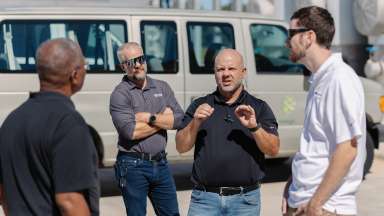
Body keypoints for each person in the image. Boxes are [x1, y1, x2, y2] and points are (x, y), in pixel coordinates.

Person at [281, 6, 366, 216]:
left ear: (309, 37)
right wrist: (292, 187)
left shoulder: (339, 79)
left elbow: (347, 150)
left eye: (291, 34)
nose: (286, 42)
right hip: (304, 202)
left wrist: (315, 204)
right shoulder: (320, 78)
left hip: (324, 208)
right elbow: (315, 145)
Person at [0, 38, 99, 215]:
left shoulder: (11, 121)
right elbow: (69, 201)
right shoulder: (68, 123)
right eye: (86, 67)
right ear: (75, 74)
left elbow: (3, 193)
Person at [176, 48, 280, 216]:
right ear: (214, 73)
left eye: (231, 69)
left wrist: (254, 127)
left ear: (243, 72)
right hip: (204, 200)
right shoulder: (199, 105)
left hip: (245, 201)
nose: (225, 74)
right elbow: (181, 147)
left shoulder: (259, 107)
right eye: (220, 69)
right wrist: (195, 123)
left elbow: (273, 149)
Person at [110, 42, 183, 216]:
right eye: (131, 62)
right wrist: (164, 118)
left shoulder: (162, 87)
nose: (137, 64)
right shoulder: (120, 94)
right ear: (123, 67)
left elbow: (180, 119)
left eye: (140, 59)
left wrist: (150, 118)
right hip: (132, 165)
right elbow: (131, 132)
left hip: (161, 163)